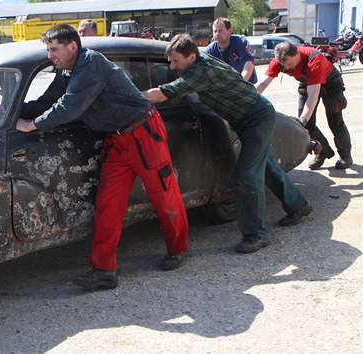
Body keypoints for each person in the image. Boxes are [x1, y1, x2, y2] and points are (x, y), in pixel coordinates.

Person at [17, 24, 189, 290]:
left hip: (143, 132)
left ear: (72, 47)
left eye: (54, 49)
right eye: (49, 49)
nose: (50, 55)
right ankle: (104, 270)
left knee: (164, 194)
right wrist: (9, 111)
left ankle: (178, 249)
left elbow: (69, 106)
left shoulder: (90, 63)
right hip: (117, 139)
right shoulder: (67, 70)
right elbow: (49, 99)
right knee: (108, 205)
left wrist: (33, 125)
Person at [142, 33, 312, 254]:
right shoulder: (198, 63)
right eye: (170, 61)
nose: (172, 66)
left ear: (192, 57)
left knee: (247, 175)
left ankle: (257, 235)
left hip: (257, 118)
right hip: (246, 118)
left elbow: (164, 94)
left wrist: (132, 95)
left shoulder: (199, 71)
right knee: (267, 166)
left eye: (176, 61)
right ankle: (299, 205)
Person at [255, 41, 353, 170]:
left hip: (330, 85)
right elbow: (262, 84)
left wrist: (303, 120)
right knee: (307, 125)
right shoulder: (280, 61)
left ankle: (345, 156)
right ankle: (323, 151)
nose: (288, 68)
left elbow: (313, 95)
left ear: (297, 53)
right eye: (285, 66)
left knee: (335, 122)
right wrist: (246, 96)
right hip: (307, 83)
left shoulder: (314, 59)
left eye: (290, 64)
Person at [204, 17, 257, 83]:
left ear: (229, 31)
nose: (217, 34)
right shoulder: (210, 49)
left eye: (220, 31)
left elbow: (249, 63)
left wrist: (240, 84)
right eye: (215, 31)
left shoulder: (240, 41)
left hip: (248, 83)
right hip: (227, 86)